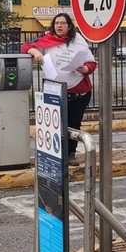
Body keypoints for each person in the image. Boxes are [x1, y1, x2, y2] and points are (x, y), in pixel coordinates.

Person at [21, 12, 97, 166]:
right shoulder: (46, 39)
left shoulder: (78, 41)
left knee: (73, 124)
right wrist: (35, 52)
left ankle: (70, 154)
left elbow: (92, 63)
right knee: (55, 124)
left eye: (63, 23)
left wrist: (85, 69)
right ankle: (56, 154)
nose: (59, 26)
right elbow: (25, 47)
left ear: (69, 26)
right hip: (55, 92)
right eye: (57, 23)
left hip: (78, 93)